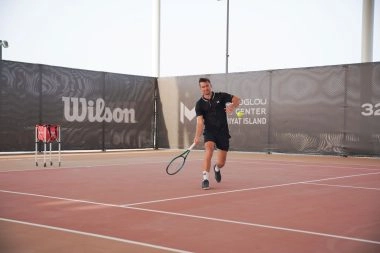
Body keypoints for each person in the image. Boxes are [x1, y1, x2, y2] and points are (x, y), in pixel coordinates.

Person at [193, 77, 240, 190]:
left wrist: (232, 106)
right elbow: (200, 122)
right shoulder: (199, 104)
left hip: (223, 133)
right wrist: (197, 136)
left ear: (210, 85)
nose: (205, 88)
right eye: (203, 87)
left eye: (207, 86)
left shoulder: (221, 96)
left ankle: (217, 168)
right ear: (200, 89)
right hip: (210, 132)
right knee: (208, 150)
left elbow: (237, 99)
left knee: (221, 162)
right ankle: (205, 179)